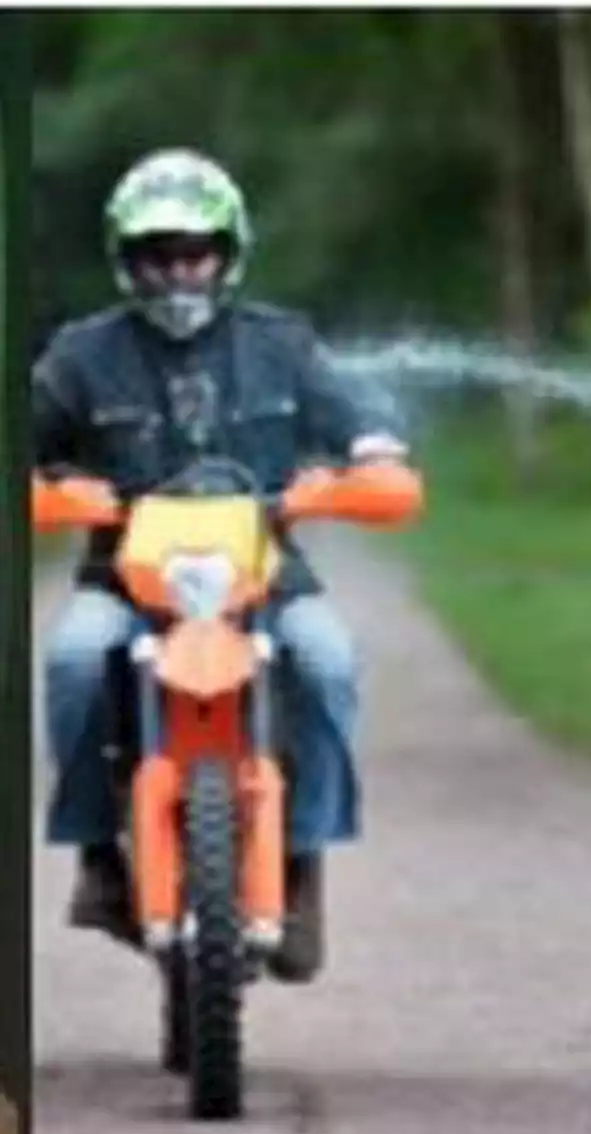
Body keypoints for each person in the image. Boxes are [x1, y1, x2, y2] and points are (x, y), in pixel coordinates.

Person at [33, 148, 407, 984]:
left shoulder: (284, 344)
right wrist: (54, 485)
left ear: (229, 250)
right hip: (126, 578)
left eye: (194, 251)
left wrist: (371, 449)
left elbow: (354, 412)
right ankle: (98, 856)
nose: (177, 273)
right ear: (125, 259)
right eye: (156, 255)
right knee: (69, 659)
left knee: (329, 660)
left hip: (265, 574)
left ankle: (304, 864)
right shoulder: (80, 355)